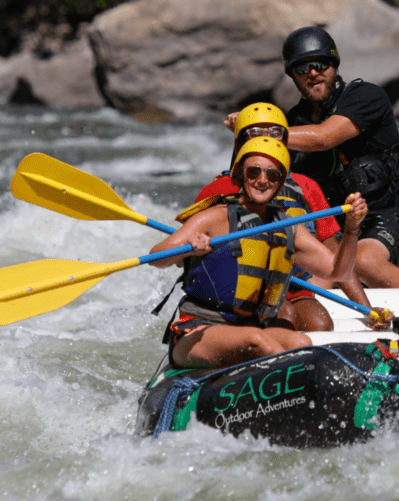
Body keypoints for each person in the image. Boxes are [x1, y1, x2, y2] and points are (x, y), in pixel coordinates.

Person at [151, 137, 369, 369]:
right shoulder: (215, 217)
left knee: (300, 340)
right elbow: (157, 257)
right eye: (253, 172)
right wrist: (189, 247)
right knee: (257, 341)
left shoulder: (289, 227)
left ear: (281, 181)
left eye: (272, 174)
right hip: (200, 330)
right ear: (240, 176)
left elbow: (339, 271)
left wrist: (351, 229)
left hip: (253, 326)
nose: (262, 180)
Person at [184, 102, 388, 331]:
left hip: (293, 287)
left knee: (320, 324)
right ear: (240, 142)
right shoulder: (217, 190)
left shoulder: (306, 187)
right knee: (285, 317)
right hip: (239, 292)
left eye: (275, 133)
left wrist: (366, 309)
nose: (267, 140)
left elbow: (333, 256)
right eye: (255, 134)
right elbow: (188, 258)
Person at [263, 26, 399, 289]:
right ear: (292, 75)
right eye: (302, 68)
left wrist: (260, 132)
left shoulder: (367, 97)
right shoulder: (292, 122)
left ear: (334, 65)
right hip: (332, 230)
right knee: (308, 285)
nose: (313, 73)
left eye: (320, 64)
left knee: (362, 262)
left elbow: (325, 137)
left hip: (389, 217)